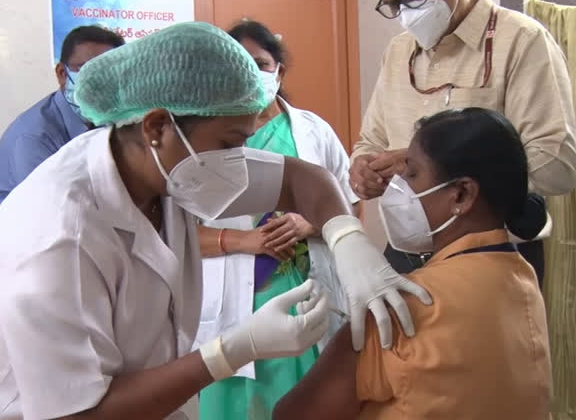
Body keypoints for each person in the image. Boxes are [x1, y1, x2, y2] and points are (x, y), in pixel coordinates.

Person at [0, 22, 430, 419]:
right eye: (232, 142)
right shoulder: (59, 236)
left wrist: (348, 240)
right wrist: (232, 350)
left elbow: (306, 180)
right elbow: (77, 414)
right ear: (156, 126)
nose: (239, 161)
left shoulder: (170, 167)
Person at [273, 107, 552, 419]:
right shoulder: (522, 278)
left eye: (412, 174)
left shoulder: (398, 305)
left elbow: (293, 415)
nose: (397, 188)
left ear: (461, 194)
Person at [349, 0, 576, 282]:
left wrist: (429, 165)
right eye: (394, 5)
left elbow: (557, 164)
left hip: (490, 254)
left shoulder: (521, 40)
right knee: (397, 340)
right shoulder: (398, 52)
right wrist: (362, 167)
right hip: (407, 253)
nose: (406, 14)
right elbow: (371, 141)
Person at [194, 21, 360, 420]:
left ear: (279, 71)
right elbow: (177, 233)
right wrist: (243, 241)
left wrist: (312, 224)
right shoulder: (202, 137)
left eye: (260, 63)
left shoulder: (313, 131)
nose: (251, 73)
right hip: (234, 304)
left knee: (307, 402)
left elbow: (349, 208)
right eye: (238, 64)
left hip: (307, 292)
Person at [0, 25, 124, 203]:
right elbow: (48, 210)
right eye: (87, 72)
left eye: (110, 73)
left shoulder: (113, 118)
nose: (99, 83)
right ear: (61, 74)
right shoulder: (33, 137)